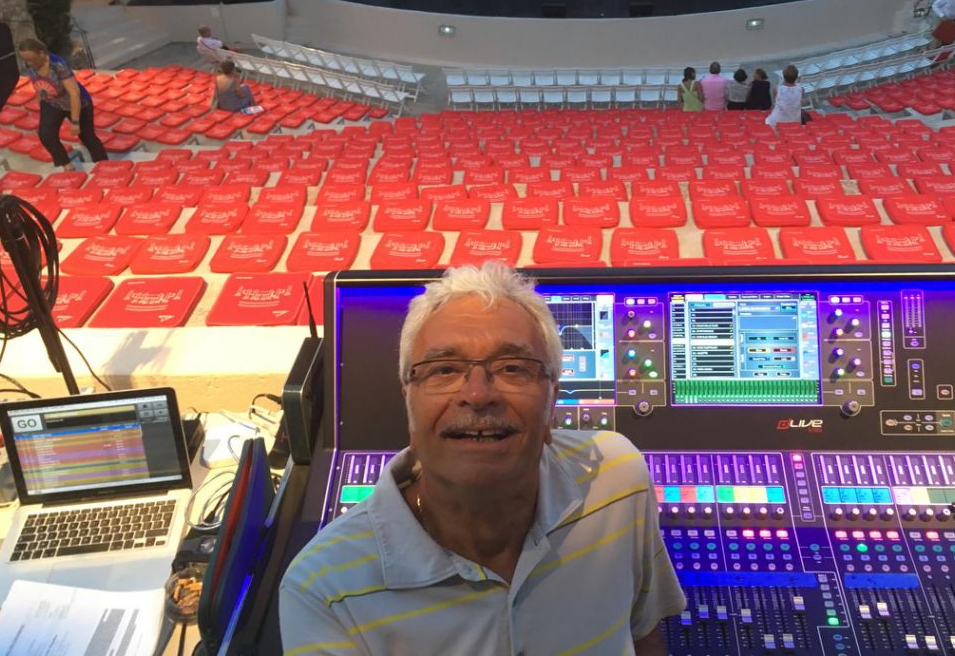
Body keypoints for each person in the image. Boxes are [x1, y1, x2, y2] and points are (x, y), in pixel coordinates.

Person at [279, 262, 685, 655]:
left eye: (513, 368)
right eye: (443, 369)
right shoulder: (323, 589)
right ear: (409, 405)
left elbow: (643, 635)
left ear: (552, 402)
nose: (477, 395)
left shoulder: (618, 478)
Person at [18, 38, 109, 170]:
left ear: (41, 53)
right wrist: (40, 99)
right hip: (52, 102)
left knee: (87, 136)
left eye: (31, 59)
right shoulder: (30, 65)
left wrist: (75, 121)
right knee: (45, 134)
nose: (28, 63)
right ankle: (66, 165)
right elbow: (37, 83)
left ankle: (105, 166)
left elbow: (74, 93)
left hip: (76, 102)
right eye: (25, 59)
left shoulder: (58, 66)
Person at [766, 64, 804, 128]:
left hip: (778, 120)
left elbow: (775, 102)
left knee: (767, 121)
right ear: (796, 77)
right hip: (795, 120)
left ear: (783, 76)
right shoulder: (801, 90)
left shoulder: (776, 89)